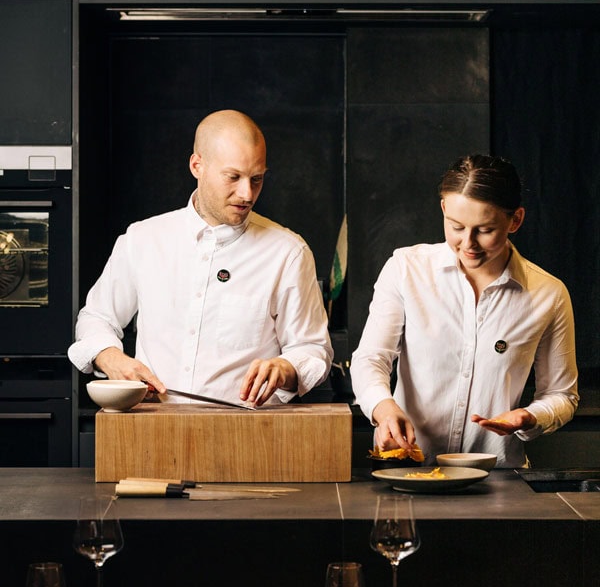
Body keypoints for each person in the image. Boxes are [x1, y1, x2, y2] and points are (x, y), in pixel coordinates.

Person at [68, 109, 333, 407]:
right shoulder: (142, 239)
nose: (247, 194)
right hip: (153, 425)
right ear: (197, 165)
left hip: (248, 429)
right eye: (233, 177)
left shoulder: (288, 252)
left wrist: (286, 368)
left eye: (256, 179)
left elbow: (313, 349)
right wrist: (110, 357)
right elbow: (97, 317)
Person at [351, 154, 578, 467]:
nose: (468, 243)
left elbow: (562, 395)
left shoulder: (548, 294)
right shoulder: (405, 269)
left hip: (499, 477)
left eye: (485, 230)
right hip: (409, 470)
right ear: (444, 209)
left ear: (515, 220)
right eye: (457, 227)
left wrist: (530, 416)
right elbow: (370, 358)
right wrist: (383, 407)